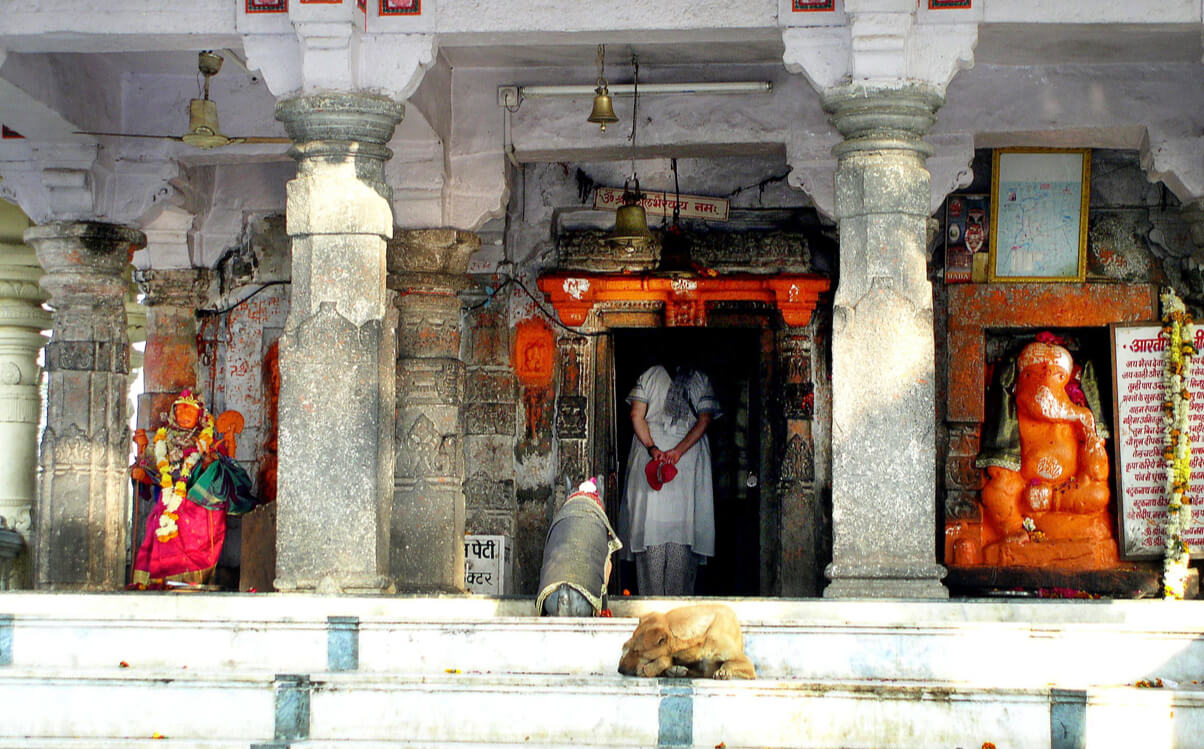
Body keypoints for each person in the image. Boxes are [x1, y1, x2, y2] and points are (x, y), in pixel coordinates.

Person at [976, 338, 1117, 568]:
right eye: (1033, 375)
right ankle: (1018, 536)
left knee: (1099, 495)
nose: (1045, 384)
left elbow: (1097, 479)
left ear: (1068, 380)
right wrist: (1014, 524)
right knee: (995, 492)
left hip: (1068, 506)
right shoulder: (1012, 419)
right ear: (1020, 379)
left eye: (1057, 376)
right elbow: (1000, 476)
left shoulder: (1079, 420)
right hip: (1024, 512)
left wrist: (1054, 499)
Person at [618, 348, 720, 596]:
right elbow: (704, 420)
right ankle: (677, 610)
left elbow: (636, 415)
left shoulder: (650, 376)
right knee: (682, 533)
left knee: (649, 530)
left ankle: (651, 608)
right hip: (684, 462)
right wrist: (677, 452)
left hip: (651, 456)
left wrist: (654, 449)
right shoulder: (699, 379)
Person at [129, 389, 253, 589]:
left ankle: (187, 581)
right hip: (168, 501)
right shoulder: (162, 441)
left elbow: (222, 475)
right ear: (173, 414)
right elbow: (151, 473)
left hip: (199, 504)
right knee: (157, 520)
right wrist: (141, 466)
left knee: (194, 523)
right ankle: (157, 582)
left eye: (190, 411)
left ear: (200, 416)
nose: (185, 415)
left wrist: (207, 464)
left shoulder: (208, 441)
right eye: (181, 410)